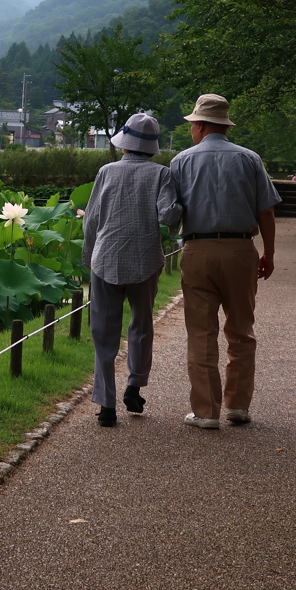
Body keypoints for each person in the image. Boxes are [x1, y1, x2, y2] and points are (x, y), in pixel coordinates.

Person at [170, 94, 282, 429]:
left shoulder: (181, 161)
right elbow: (266, 210)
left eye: (193, 125)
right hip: (240, 250)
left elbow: (172, 213)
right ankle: (237, 406)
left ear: (200, 125)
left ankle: (205, 411)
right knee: (241, 331)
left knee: (201, 333)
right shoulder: (250, 159)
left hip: (197, 250)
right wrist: (269, 253)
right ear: (224, 124)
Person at [82, 113, 182, 427]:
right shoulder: (162, 175)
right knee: (141, 324)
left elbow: (91, 220)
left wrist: (89, 255)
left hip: (105, 258)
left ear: (124, 144)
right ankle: (135, 386)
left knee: (103, 333)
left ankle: (106, 406)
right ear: (152, 146)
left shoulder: (106, 171)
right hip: (145, 260)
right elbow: (168, 217)